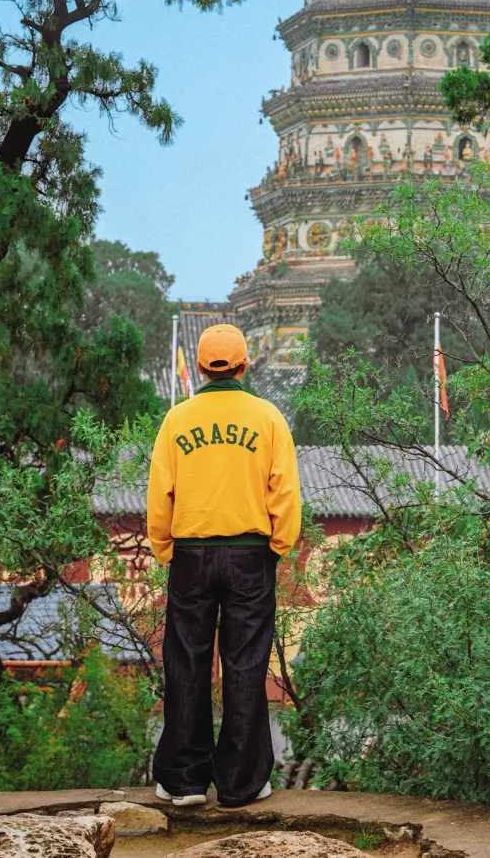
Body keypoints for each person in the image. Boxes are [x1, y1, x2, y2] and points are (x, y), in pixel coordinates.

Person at [147, 322, 301, 808]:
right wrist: (277, 547)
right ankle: (242, 782)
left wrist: (166, 549)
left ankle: (185, 781)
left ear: (199, 369)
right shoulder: (268, 417)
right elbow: (286, 492)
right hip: (250, 556)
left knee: (186, 662)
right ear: (243, 365)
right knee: (246, 664)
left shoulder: (176, 420)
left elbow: (159, 495)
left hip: (190, 555)